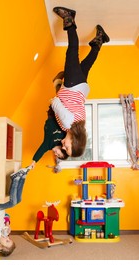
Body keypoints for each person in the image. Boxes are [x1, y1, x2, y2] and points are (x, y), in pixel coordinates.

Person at [51, 6, 110, 157]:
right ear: (75, 142)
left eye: (64, 150)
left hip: (81, 89)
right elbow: (55, 102)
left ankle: (100, 40)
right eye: (68, 148)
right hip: (72, 85)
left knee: (86, 64)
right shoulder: (67, 123)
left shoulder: (79, 125)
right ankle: (69, 19)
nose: (63, 147)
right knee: (72, 51)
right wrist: (56, 94)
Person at [0, 167, 31, 256]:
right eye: (9, 238)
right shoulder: (2, 233)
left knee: (13, 202)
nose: (7, 237)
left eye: (7, 241)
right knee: (18, 200)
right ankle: (22, 177)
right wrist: (7, 223)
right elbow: (5, 214)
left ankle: (15, 178)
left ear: (0, 246)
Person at [30, 72, 68, 169]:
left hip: (52, 115)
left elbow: (41, 150)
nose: (56, 155)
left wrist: (34, 162)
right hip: (61, 115)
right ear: (63, 149)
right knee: (63, 98)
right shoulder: (64, 140)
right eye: (59, 154)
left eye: (57, 156)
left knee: (59, 97)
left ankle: (57, 82)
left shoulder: (48, 145)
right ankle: (58, 82)